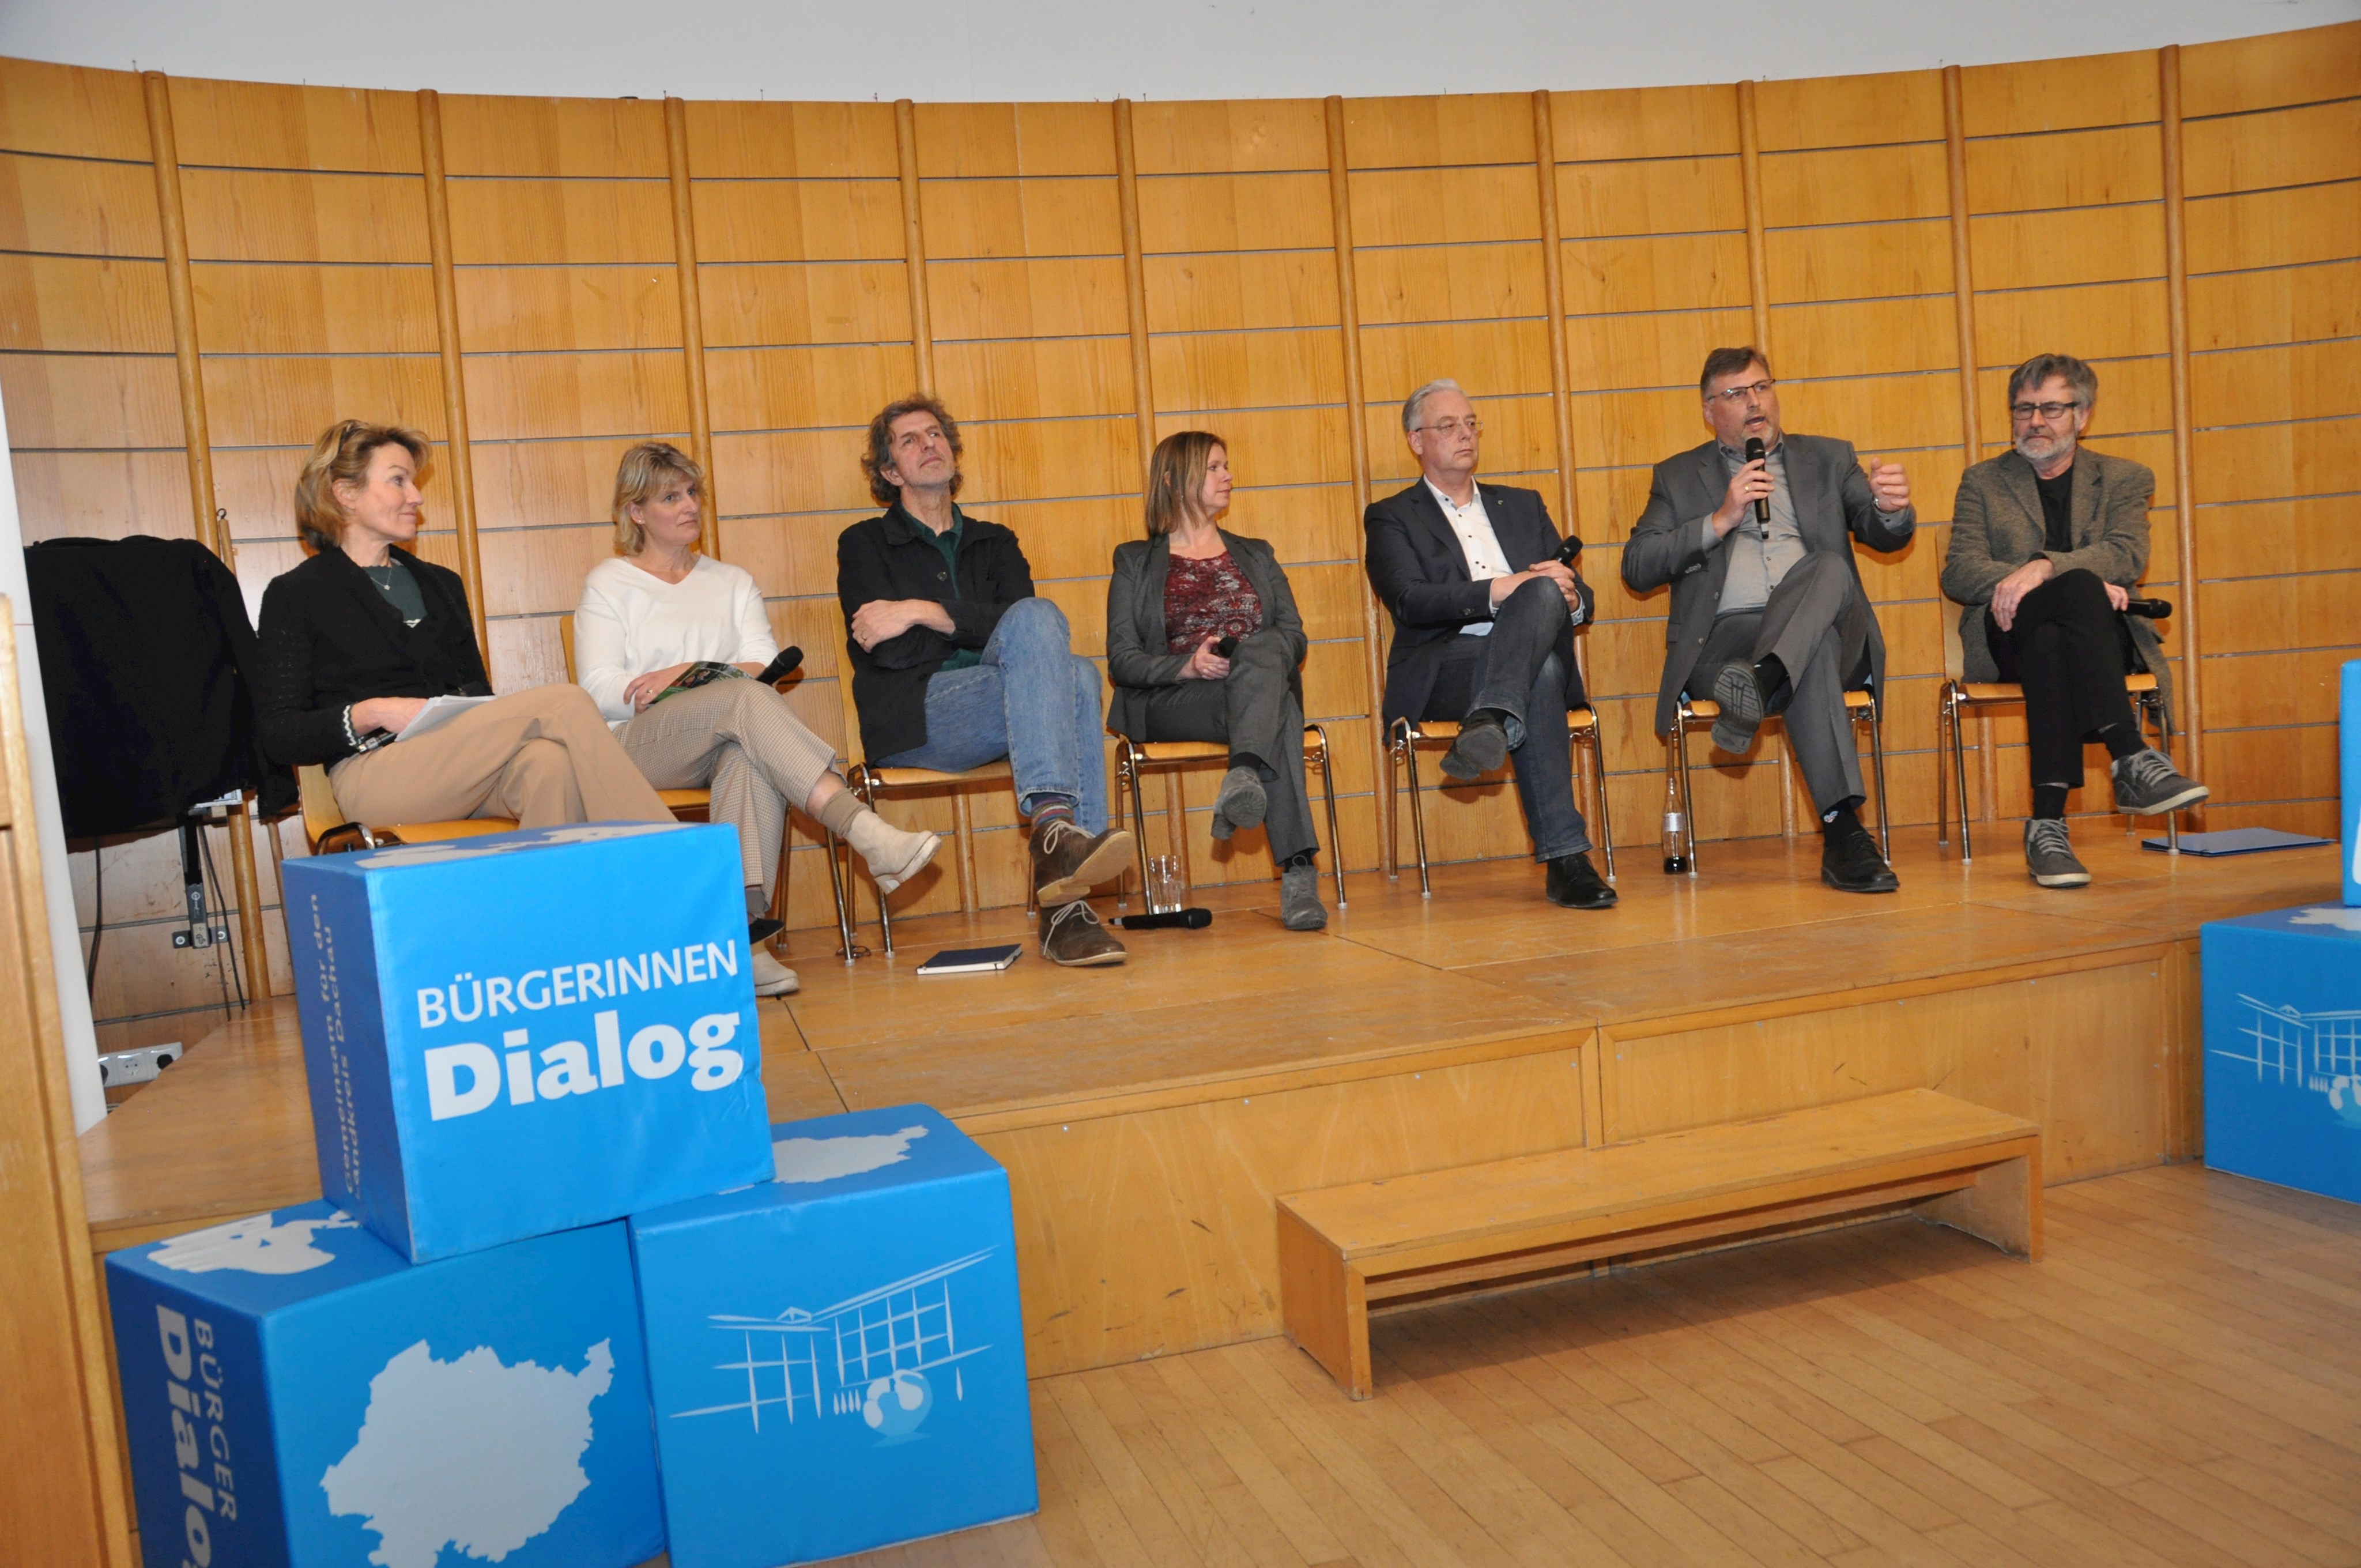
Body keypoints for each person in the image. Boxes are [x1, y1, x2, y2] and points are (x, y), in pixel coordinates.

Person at [575, 441, 942, 996]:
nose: (689, 505)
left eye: (693, 492)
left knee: (747, 753)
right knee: (745, 700)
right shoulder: (610, 582)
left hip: (725, 733)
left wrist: (686, 672)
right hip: (636, 746)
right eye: (670, 496)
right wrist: (702, 681)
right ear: (636, 512)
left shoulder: (732, 581)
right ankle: (862, 829)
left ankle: (745, 942)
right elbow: (599, 690)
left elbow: (763, 664)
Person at [254, 419, 676, 846]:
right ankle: (670, 857)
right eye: (398, 481)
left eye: (413, 482)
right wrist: (372, 712)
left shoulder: (441, 583)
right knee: (565, 702)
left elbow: (478, 693)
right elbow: (279, 733)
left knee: (549, 764)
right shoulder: (296, 594)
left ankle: (544, 908)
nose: (416, 497)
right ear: (346, 495)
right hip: (376, 775)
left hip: (463, 763)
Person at [836, 395, 1133, 967]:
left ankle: (1056, 845)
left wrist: (920, 609)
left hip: (1007, 708)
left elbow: (1025, 630)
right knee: (1065, 672)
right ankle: (1065, 882)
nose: (929, 444)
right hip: (918, 718)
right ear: (890, 472)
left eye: (936, 433)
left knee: (1066, 661)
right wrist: (970, 627)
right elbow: (892, 653)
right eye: (909, 440)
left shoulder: (995, 541)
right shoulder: (863, 543)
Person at [1623, 348, 1915, 894]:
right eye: (1735, 394)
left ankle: (1761, 682)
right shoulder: (1679, 476)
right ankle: (1844, 834)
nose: (1754, 401)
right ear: (1709, 411)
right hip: (1725, 644)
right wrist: (1719, 520)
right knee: (1812, 653)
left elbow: (1883, 531)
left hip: (1818, 623)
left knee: (1827, 568)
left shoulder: (1828, 458)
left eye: (1761, 387)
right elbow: (1637, 566)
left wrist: (1891, 508)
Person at [1943, 353, 2207, 887]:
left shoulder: (2125, 478)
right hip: (2006, 631)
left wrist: (2042, 569)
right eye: (2024, 410)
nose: (2035, 421)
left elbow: (2128, 554)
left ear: (2082, 416)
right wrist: (2049, 581)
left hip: (2091, 637)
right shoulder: (1984, 482)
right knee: (2074, 594)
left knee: (2055, 636)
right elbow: (1962, 572)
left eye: (2051, 409)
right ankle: (2129, 756)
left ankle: (2048, 826)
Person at [1363, 379, 1616, 910]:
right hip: (1445, 665)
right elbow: (1409, 602)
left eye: (1471, 423)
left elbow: (1583, 596)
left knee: (1545, 619)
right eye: (1449, 426)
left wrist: (1568, 598)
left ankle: (1492, 718)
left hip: (1525, 657)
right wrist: (1501, 591)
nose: (1465, 435)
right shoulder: (1392, 516)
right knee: (1539, 664)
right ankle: (1566, 860)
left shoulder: (1524, 505)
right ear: (1416, 441)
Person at [1106, 431, 1327, 931]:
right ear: (1172, 479)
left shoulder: (1257, 553)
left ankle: (1244, 775)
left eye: (1226, 466)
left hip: (1252, 691)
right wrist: (1188, 665)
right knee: (1278, 711)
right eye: (1214, 468)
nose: (1228, 476)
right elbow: (1122, 660)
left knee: (1270, 652)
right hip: (1175, 698)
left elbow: (1294, 635)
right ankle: (1298, 873)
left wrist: (1251, 656)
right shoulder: (1135, 561)